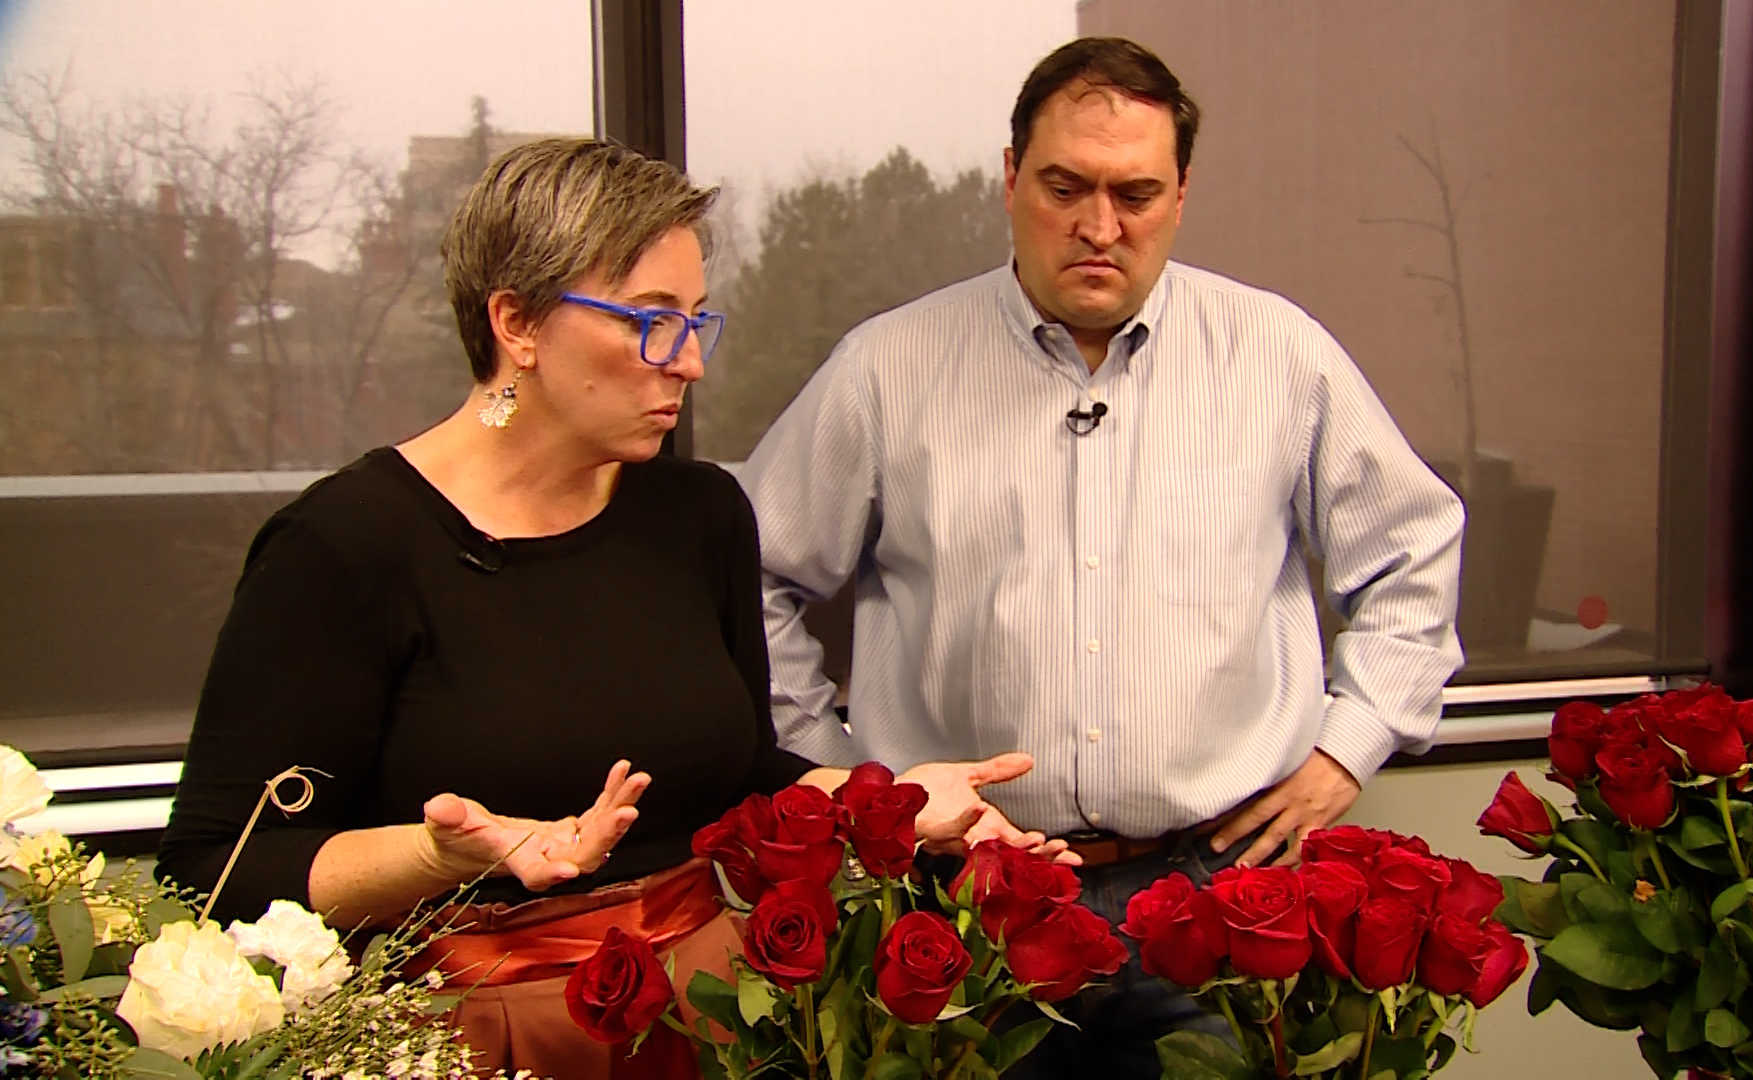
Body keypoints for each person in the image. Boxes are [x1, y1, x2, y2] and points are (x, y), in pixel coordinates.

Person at [156, 137, 1068, 1080]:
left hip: (715, 1026)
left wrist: (898, 804)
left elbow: (744, 776)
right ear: (517, 323)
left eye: (697, 324)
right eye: (649, 321)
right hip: (479, 1043)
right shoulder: (346, 547)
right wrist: (442, 856)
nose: (689, 365)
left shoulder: (699, 513)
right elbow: (213, 868)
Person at [740, 37, 1466, 1077]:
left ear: (1180, 194)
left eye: (1135, 192)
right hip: (969, 902)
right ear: (1008, 178)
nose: (1098, 225)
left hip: (1215, 897)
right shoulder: (888, 369)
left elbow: (1413, 548)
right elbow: (754, 579)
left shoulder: (1279, 357)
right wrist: (857, 788)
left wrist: (1350, 744)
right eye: (1065, 186)